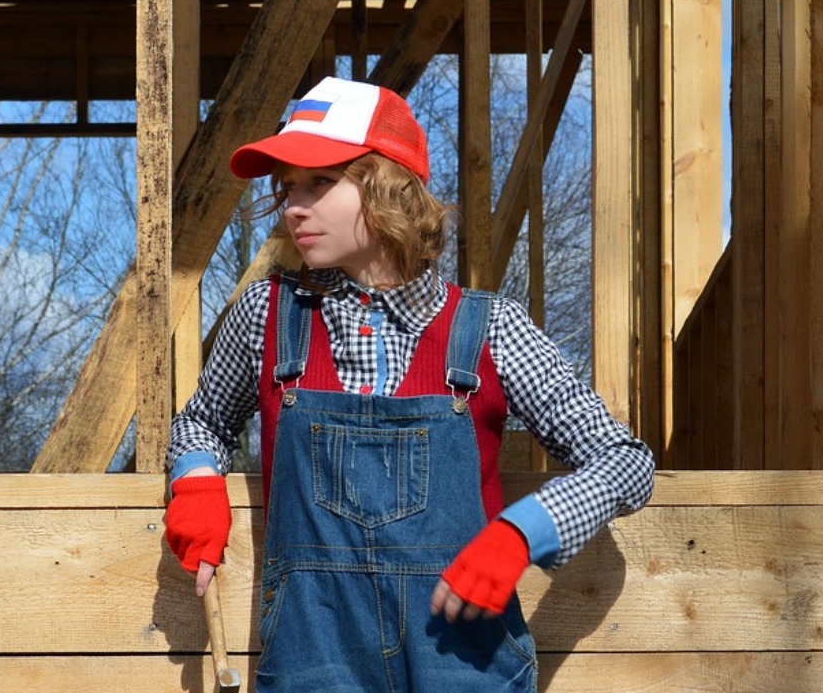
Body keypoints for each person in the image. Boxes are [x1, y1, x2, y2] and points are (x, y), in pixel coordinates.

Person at [164, 77, 655, 692]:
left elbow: (624, 462)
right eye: (288, 185)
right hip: (316, 665)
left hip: (466, 666)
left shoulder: (488, 330)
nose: (294, 204)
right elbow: (202, 423)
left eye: (320, 181)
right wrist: (196, 480)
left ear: (388, 187)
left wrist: (519, 535)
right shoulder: (267, 315)